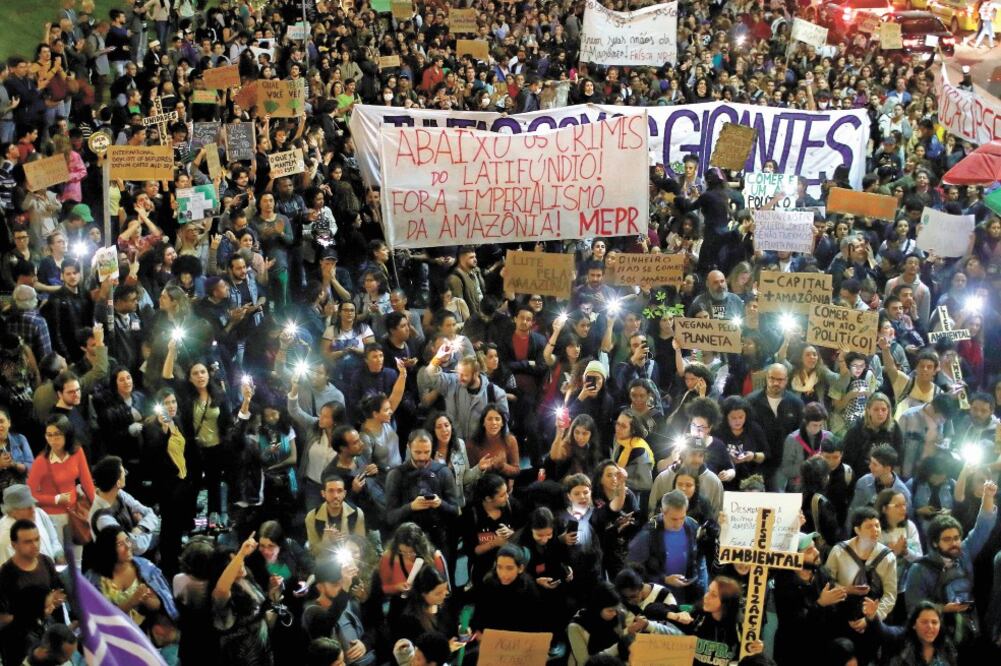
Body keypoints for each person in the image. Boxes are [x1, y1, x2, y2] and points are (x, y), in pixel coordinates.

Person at [903, 479, 997, 645]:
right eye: (947, 539)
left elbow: (983, 527)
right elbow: (913, 609)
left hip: (968, 629)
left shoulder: (964, 552)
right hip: (937, 637)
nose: (954, 543)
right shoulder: (918, 570)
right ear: (934, 543)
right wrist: (945, 609)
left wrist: (988, 497)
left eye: (956, 538)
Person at [83, 526, 178, 650]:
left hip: (143, 631)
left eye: (128, 540)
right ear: (108, 549)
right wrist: (132, 601)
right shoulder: (93, 579)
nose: (128, 546)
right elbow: (102, 619)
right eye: (120, 544)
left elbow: (159, 605)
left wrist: (148, 601)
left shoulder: (145, 567)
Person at [384, 430, 460, 558]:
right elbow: (390, 517)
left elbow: (455, 510)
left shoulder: (443, 472)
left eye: (427, 452)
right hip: (407, 543)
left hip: (438, 541)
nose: (422, 457)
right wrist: (411, 507)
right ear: (408, 447)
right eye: (418, 452)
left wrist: (440, 503)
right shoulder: (396, 475)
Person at [0, 519, 66, 666]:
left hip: (48, 634)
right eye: (27, 542)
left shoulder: (46, 562)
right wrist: (33, 614)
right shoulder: (6, 574)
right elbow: (3, 617)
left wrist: (56, 600)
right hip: (19, 643)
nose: (35, 545)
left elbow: (58, 591)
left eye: (37, 539)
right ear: (14, 545)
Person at [773, 533, 845, 666]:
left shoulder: (820, 573)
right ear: (794, 557)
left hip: (820, 649)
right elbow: (795, 626)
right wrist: (820, 604)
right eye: (809, 550)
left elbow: (834, 609)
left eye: (815, 547)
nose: (817, 552)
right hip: (793, 653)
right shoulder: (784, 582)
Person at [26, 414, 94, 549]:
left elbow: (87, 482)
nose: (52, 440)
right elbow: (29, 495)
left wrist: (96, 506)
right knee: (59, 561)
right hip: (52, 517)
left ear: (66, 434)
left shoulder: (77, 452)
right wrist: (55, 499)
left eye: (57, 434)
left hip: (75, 513)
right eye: (49, 435)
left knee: (77, 560)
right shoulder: (41, 461)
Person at [627, 489, 707, 606]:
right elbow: (632, 569)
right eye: (674, 519)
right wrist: (663, 579)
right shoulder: (648, 534)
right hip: (658, 598)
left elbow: (700, 560)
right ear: (662, 512)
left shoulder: (692, 526)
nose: (679, 523)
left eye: (682, 517)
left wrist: (701, 585)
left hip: (688, 595)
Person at [305, 475, 367, 561]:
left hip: (351, 560)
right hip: (326, 562)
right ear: (323, 493)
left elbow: (361, 544)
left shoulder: (356, 513)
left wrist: (347, 540)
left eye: (339, 491)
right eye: (331, 491)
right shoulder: (312, 517)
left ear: (344, 493)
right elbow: (314, 552)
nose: (335, 496)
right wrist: (326, 540)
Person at [0, 485, 62, 566]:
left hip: (50, 570)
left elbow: (53, 538)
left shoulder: (39, 513)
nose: (33, 509)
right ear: (12, 511)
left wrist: (58, 554)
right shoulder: (5, 538)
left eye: (32, 504)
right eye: (26, 506)